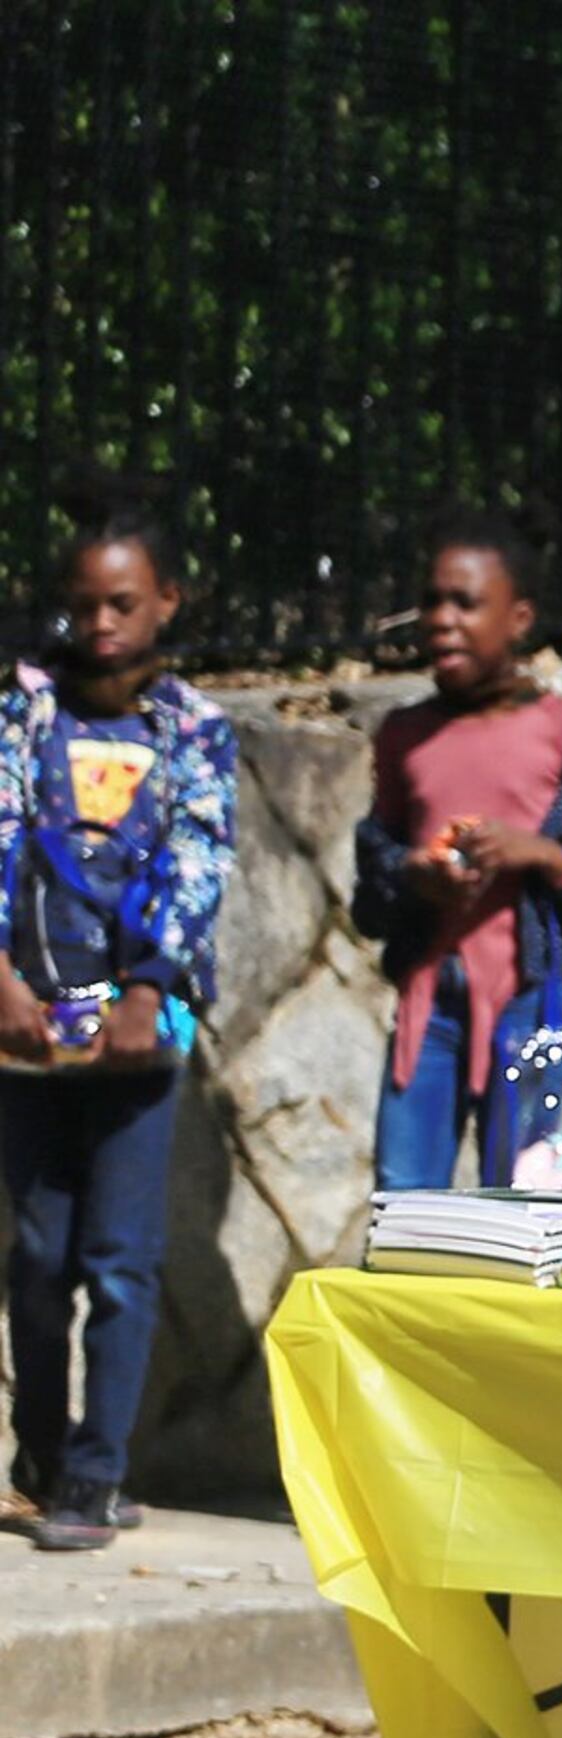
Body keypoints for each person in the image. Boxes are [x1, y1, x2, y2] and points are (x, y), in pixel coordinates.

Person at [0, 501, 235, 1552]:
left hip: (142, 1039)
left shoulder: (193, 730)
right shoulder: (26, 717)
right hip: (30, 1037)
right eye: (85, 603)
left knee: (120, 1261)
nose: (102, 623)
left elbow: (199, 859)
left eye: (124, 602)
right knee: (39, 1259)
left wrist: (149, 989)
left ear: (167, 602)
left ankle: (99, 1474)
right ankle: (40, 1454)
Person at [351, 513, 562, 1194]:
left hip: (529, 1009)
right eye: (432, 600)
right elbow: (372, 876)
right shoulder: (404, 734)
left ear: (517, 618)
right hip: (428, 1013)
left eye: (465, 602)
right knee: (401, 1199)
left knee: (521, 1199)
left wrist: (538, 854)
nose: (442, 619)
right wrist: (413, 875)